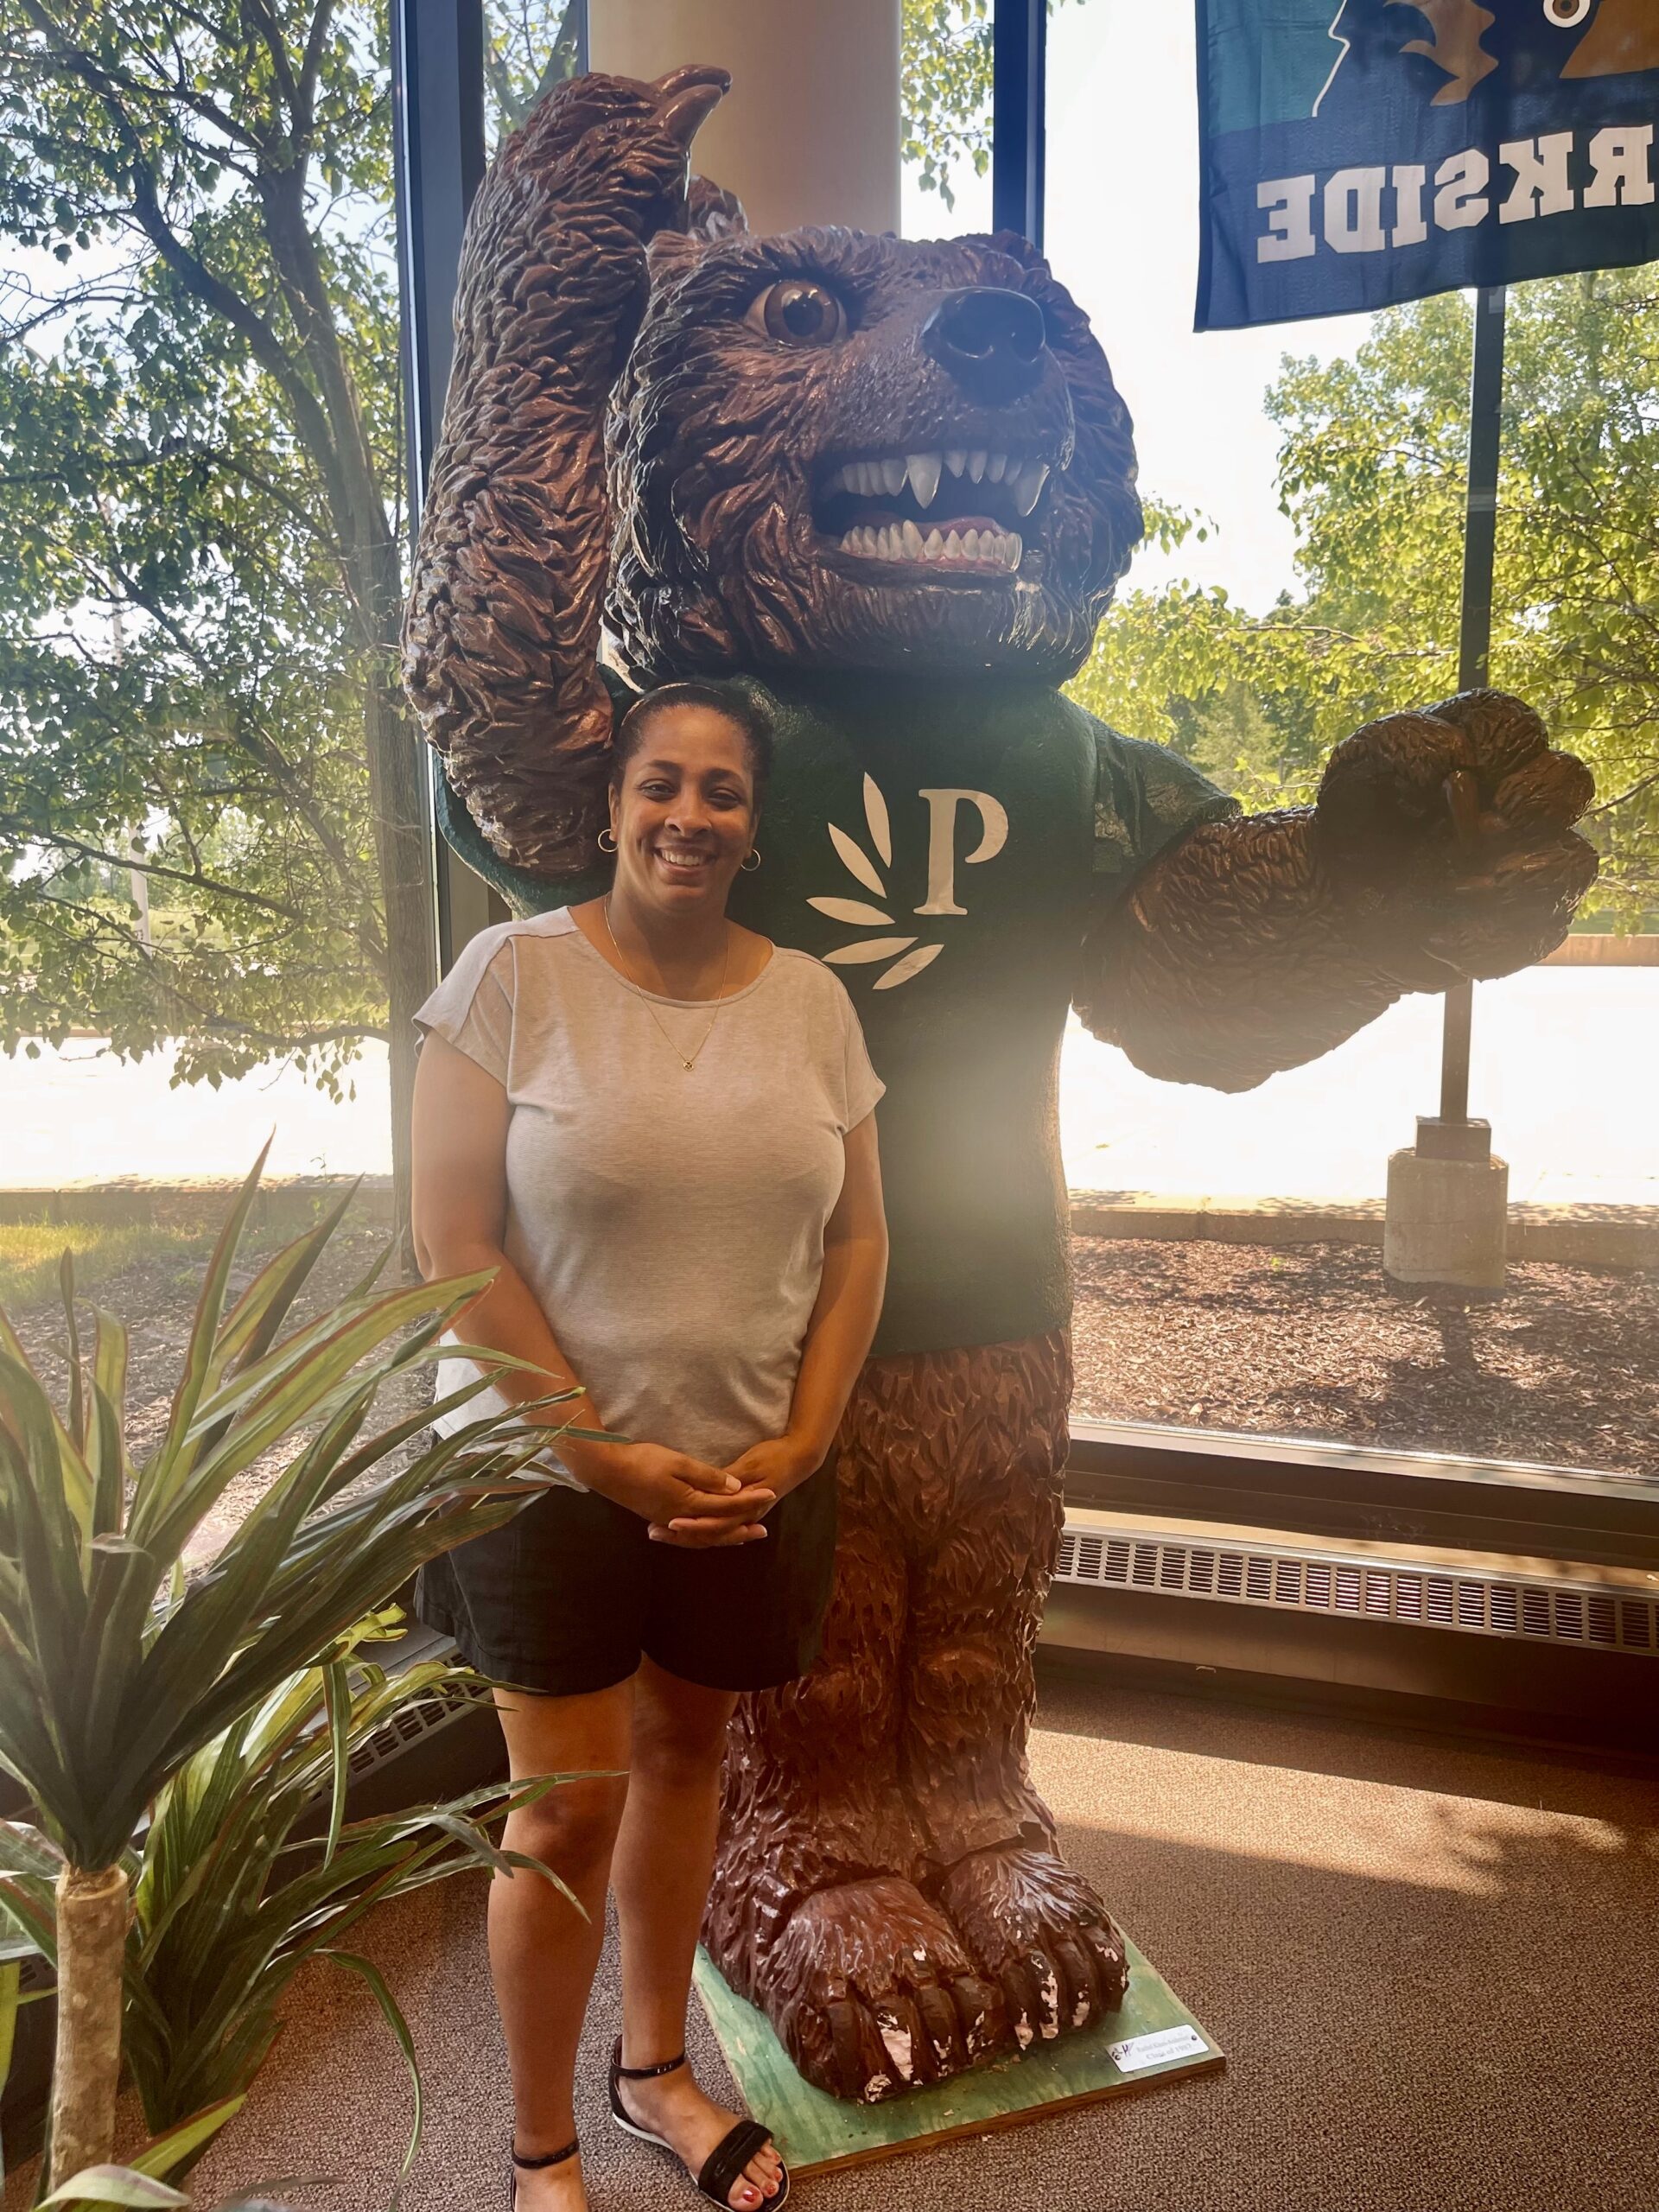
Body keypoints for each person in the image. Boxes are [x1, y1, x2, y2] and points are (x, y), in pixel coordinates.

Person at [409, 683, 889, 2212]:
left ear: (755, 823)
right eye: (661, 785)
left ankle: (655, 2071)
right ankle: (540, 2142)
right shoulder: (510, 973)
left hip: (748, 1470)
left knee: (690, 1759)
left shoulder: (812, 1000)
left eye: (724, 791)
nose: (690, 815)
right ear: (613, 806)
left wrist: (809, 1434)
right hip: (545, 1472)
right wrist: (600, 1453)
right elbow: (453, 1243)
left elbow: (867, 1234)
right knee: (566, 1805)